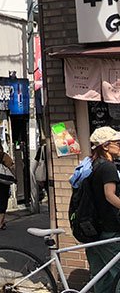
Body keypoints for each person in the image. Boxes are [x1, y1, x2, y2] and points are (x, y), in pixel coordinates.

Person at [84, 126, 120, 293]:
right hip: (108, 228)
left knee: (101, 277)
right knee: (117, 274)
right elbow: (109, 195)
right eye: (117, 143)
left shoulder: (91, 164)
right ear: (105, 146)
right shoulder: (108, 167)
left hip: (92, 228)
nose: (119, 146)